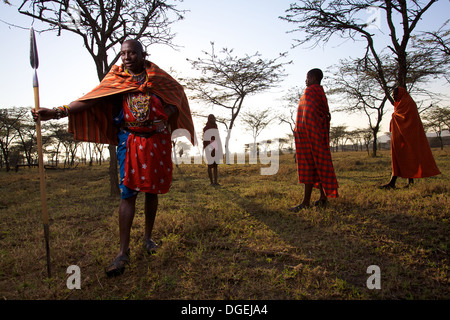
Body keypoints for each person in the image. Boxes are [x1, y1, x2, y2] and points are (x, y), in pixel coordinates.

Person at [32, 39, 195, 277]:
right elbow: (91, 99)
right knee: (127, 193)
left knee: (152, 191)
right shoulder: (116, 79)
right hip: (130, 141)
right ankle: (122, 252)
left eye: (132, 53)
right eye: (123, 53)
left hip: (157, 140)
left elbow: (176, 97)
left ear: (142, 54)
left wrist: (165, 114)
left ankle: (148, 239)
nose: (127, 57)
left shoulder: (158, 77)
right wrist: (58, 112)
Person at [289, 68, 338, 212]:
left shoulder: (310, 92)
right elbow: (324, 114)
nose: (306, 81)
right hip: (317, 134)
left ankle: (305, 202)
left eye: (307, 77)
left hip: (310, 136)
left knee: (309, 165)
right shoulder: (320, 93)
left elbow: (312, 114)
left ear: (313, 78)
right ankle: (323, 197)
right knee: (319, 164)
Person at [380, 87, 440, 189]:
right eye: (393, 95)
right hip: (401, 137)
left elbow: (408, 121)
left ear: (401, 94)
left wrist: (395, 116)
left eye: (395, 95)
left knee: (408, 158)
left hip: (410, 137)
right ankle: (402, 182)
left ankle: (395, 182)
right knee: (400, 158)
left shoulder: (408, 103)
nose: (394, 97)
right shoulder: (401, 103)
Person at [203, 114, 223, 186]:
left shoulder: (215, 127)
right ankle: (211, 182)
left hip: (216, 147)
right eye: (211, 118)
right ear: (209, 119)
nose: (213, 119)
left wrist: (219, 149)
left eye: (213, 118)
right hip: (209, 148)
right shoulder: (206, 128)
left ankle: (216, 182)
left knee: (215, 165)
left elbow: (218, 138)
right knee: (210, 165)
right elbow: (206, 140)